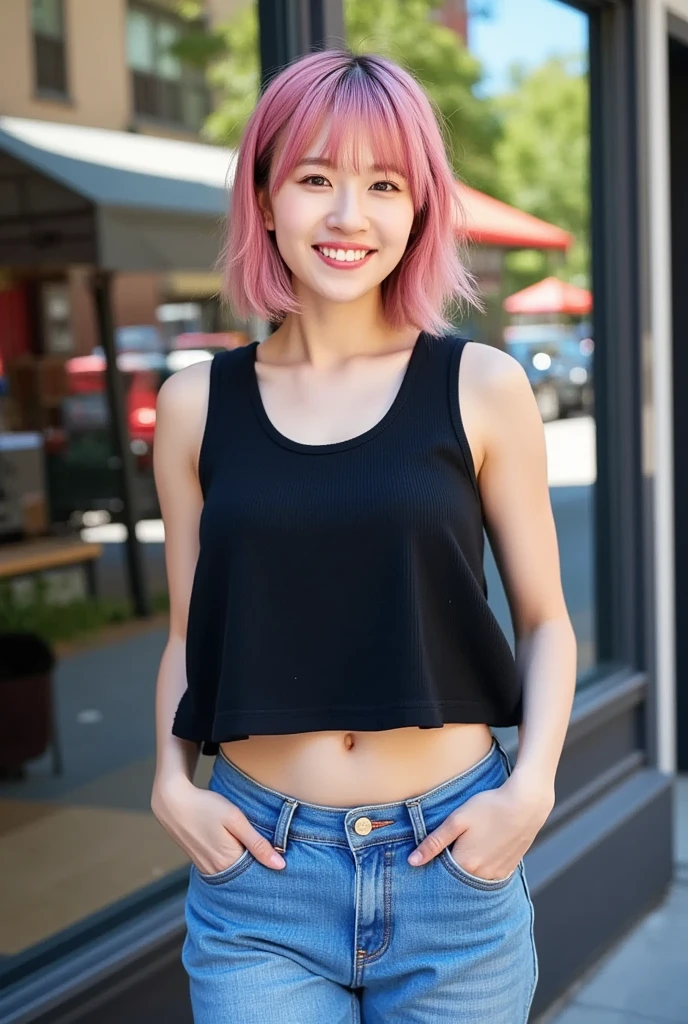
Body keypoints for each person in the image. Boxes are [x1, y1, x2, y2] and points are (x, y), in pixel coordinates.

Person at [151, 47, 577, 1024]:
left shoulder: (480, 387)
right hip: (259, 873)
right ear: (264, 198)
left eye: (384, 184)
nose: (349, 216)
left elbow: (546, 621)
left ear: (419, 207)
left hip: (451, 866)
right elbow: (187, 635)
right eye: (315, 179)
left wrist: (532, 792)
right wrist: (169, 784)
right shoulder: (192, 407)